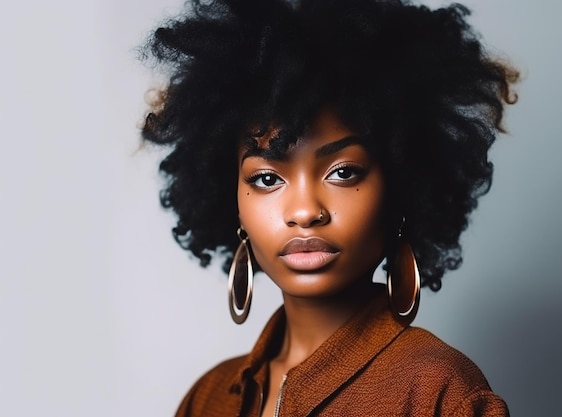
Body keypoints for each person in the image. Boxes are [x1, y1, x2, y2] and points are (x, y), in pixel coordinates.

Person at [140, 0, 518, 415]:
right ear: (229, 198)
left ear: (401, 189)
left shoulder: (438, 392)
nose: (304, 211)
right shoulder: (208, 398)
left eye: (343, 173)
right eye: (267, 179)